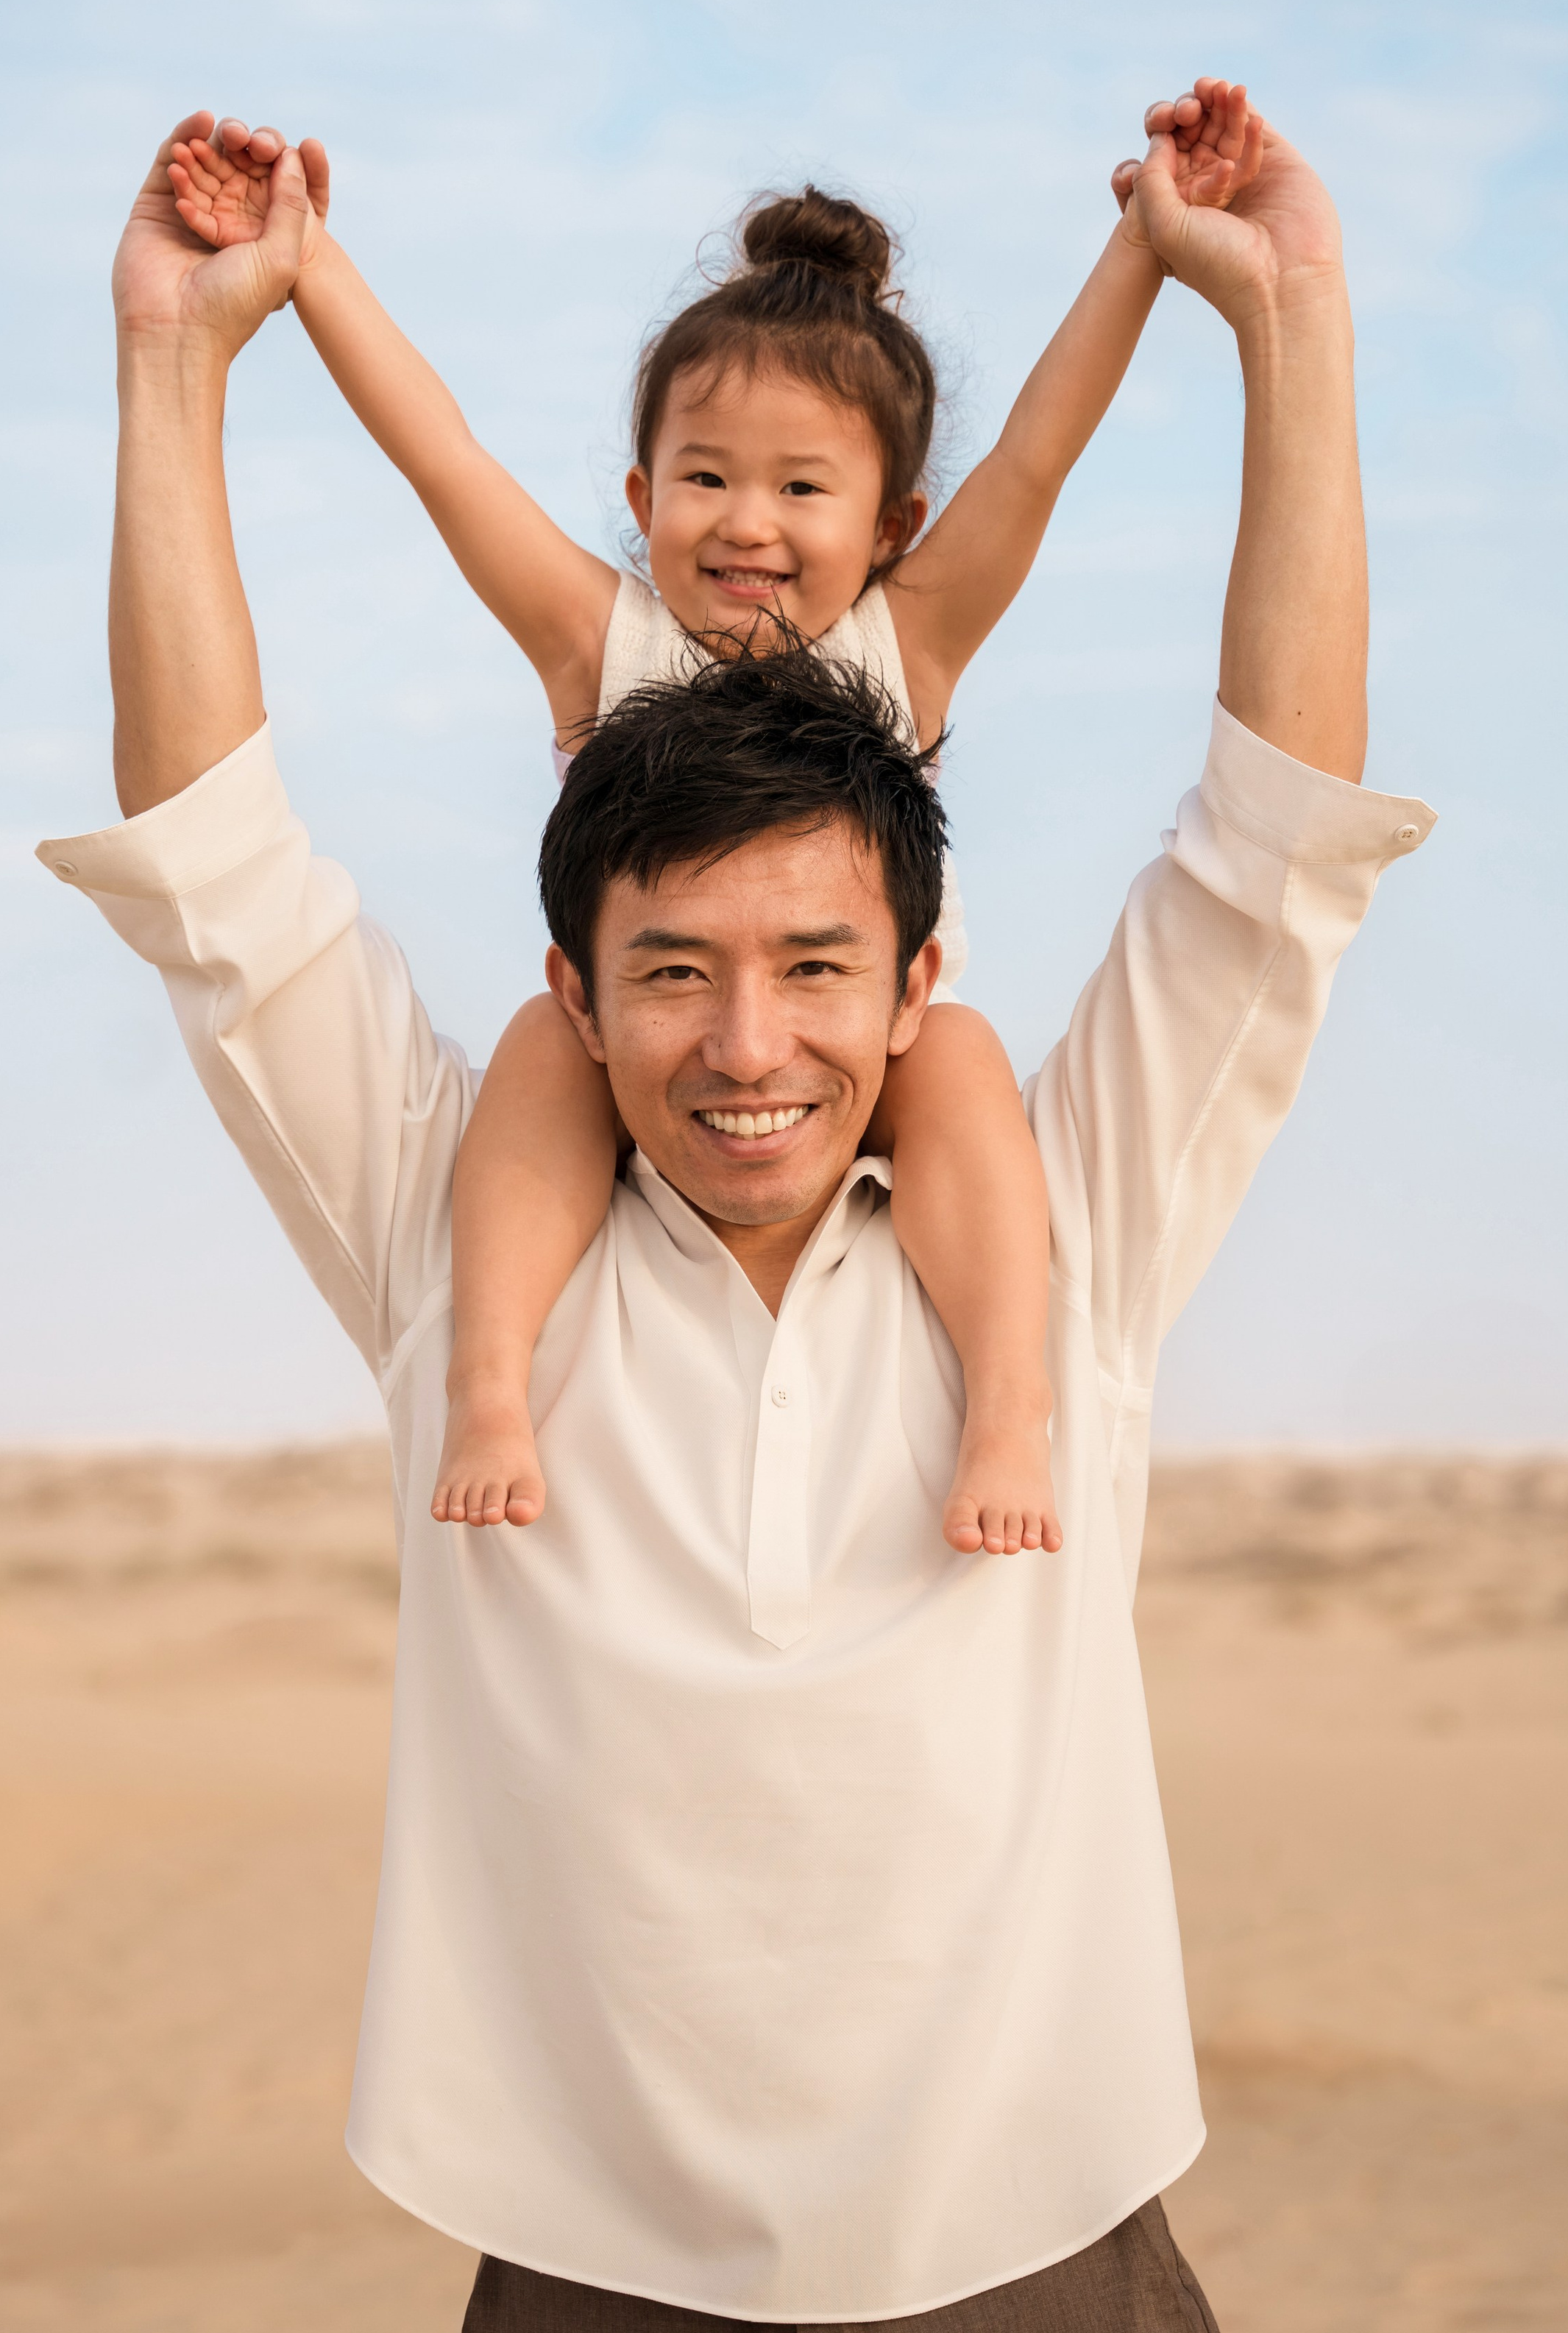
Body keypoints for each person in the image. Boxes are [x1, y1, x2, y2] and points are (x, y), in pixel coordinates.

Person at [43, 86, 1432, 2333]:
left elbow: (1273, 843)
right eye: (671, 972)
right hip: (597, 2328)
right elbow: (219, 870)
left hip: (1050, 2296)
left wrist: (1287, 323)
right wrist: (177, 366)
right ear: (575, 991)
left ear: (922, 985)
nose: (747, 1043)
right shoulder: (462, 1238)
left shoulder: (1065, 1234)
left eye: (815, 970)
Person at [163, 87, 1261, 1557]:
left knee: (961, 1051)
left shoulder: (903, 645)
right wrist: (305, 267)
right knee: (550, 1036)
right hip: (647, 1065)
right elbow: (445, 460)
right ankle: (484, 1384)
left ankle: (1008, 1407)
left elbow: (1039, 457)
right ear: (638, 494)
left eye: (802, 487)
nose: (747, 523)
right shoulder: (594, 640)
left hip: (836, 1063)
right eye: (704, 479)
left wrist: (1145, 244)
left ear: (891, 525)